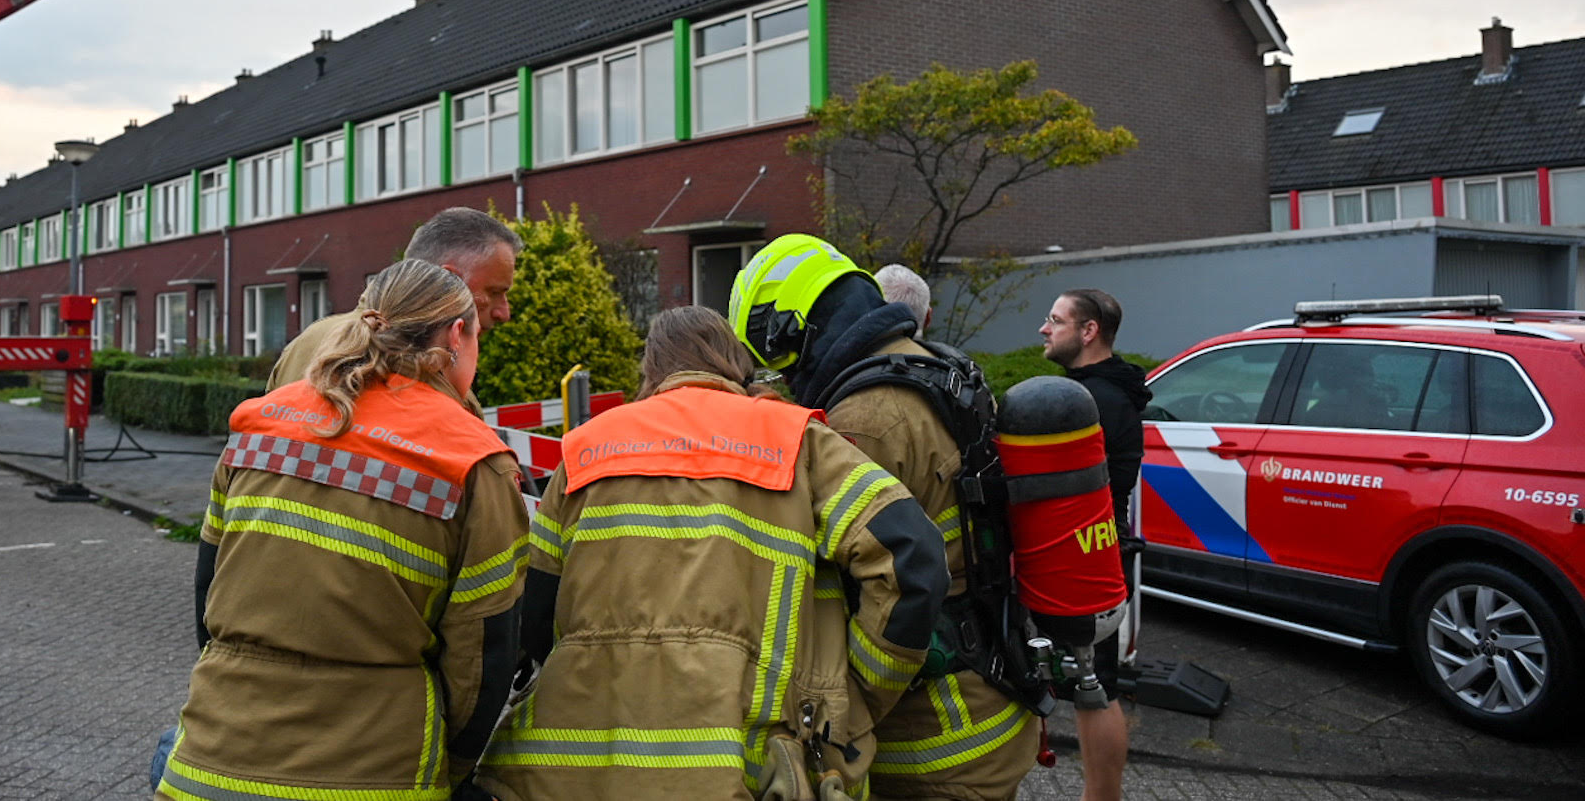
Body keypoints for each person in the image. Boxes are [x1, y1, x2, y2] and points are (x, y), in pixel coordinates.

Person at [478, 305, 949, 801]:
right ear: (737, 365)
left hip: (573, 771)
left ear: (651, 369)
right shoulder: (797, 441)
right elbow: (912, 557)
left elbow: (533, 613)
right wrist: (858, 697)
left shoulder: (586, 449)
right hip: (750, 765)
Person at [159, 258, 527, 801]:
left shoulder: (257, 424)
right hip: (374, 772)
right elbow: (484, 653)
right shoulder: (472, 461)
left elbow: (208, 592)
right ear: (455, 335)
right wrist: (453, 767)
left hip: (210, 764)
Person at [729, 235, 1038, 800]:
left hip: (933, 740)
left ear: (792, 330)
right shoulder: (939, 368)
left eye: (772, 356)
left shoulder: (866, 419)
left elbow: (871, 578)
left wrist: (851, 705)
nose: (780, 374)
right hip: (992, 695)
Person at [1039, 288, 1149, 801]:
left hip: (1086, 559)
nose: (1044, 328)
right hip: (1098, 551)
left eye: (1056, 320)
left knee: (1094, 686)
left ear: (1088, 332)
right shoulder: (1103, 389)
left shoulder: (1091, 401)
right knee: (1091, 684)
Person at [266, 206, 520, 391]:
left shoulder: (306, 343)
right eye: (494, 293)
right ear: (449, 280)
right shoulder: (426, 365)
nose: (503, 313)